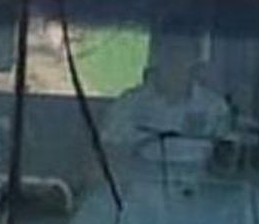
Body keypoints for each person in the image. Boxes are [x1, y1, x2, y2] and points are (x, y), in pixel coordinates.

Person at [100, 29, 235, 158]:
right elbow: (108, 152)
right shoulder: (128, 104)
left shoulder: (214, 107)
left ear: (195, 58)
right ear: (157, 55)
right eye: (170, 51)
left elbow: (227, 158)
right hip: (139, 179)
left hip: (200, 180)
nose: (176, 59)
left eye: (184, 52)